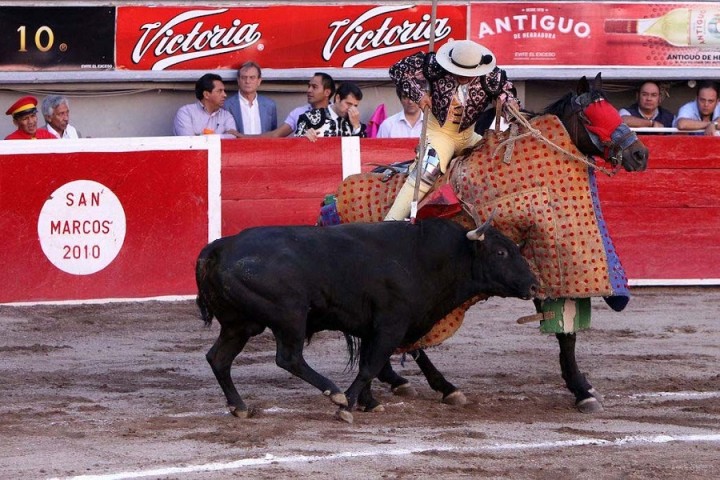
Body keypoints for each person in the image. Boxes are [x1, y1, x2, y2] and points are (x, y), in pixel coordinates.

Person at [384, 39, 518, 220]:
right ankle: (391, 222)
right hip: (440, 133)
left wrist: (508, 105)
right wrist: (419, 94)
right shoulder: (434, 65)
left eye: (467, 72)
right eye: (458, 71)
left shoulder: (491, 76)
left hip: (469, 136)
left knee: (499, 165)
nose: (462, 76)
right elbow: (397, 70)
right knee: (428, 169)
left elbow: (507, 94)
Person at [263, 72, 335, 137]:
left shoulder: (337, 113)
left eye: (314, 87)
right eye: (309, 86)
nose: (309, 90)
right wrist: (251, 139)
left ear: (327, 92)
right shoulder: (298, 112)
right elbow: (276, 135)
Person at [173, 73, 240, 138]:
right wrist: (219, 136)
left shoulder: (226, 115)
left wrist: (201, 136)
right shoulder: (186, 112)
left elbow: (232, 138)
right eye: (219, 91)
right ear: (206, 95)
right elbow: (189, 142)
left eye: (224, 91)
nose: (225, 95)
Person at [295, 81, 367, 141]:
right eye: (348, 104)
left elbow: (364, 151)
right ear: (338, 98)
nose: (351, 109)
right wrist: (305, 138)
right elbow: (295, 147)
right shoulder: (310, 118)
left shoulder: (355, 123)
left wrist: (356, 127)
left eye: (355, 106)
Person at [224, 61, 277, 135]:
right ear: (238, 81)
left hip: (263, 146)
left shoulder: (269, 105)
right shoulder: (227, 105)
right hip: (238, 146)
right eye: (244, 77)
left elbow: (273, 134)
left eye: (252, 78)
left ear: (259, 81)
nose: (247, 81)